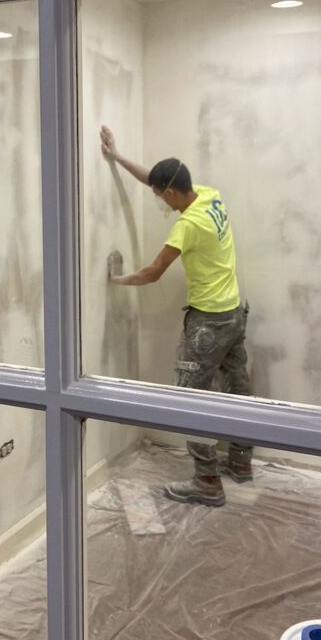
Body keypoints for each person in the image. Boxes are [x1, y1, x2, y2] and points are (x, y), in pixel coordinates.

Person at [100, 124, 253, 508]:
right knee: (238, 392)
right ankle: (240, 462)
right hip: (234, 312)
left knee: (189, 401)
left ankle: (206, 481)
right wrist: (117, 157)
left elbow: (153, 273)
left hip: (209, 324)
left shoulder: (188, 225)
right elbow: (157, 176)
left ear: (170, 192)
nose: (158, 200)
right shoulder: (209, 195)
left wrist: (116, 279)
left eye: (158, 194)